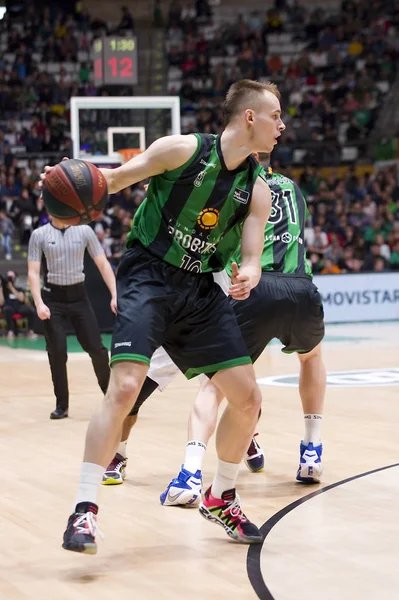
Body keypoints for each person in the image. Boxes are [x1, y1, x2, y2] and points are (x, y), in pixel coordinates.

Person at [41, 79, 285, 554]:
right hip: (148, 275)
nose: (282, 126)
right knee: (127, 385)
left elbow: (252, 255)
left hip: (200, 289)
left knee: (248, 398)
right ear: (250, 116)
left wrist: (251, 274)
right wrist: (66, 182)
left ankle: (221, 495)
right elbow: (109, 180)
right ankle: (84, 510)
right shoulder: (182, 150)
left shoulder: (258, 190)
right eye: (276, 115)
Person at [103, 157, 326, 507]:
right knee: (137, 389)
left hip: (219, 305)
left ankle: (214, 463)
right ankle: (119, 454)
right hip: (186, 303)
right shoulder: (262, 189)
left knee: (236, 388)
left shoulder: (243, 196)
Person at [27, 216, 117, 419]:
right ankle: (62, 405)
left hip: (79, 297)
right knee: (57, 352)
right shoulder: (39, 235)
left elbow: (103, 264)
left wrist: (115, 294)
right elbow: (33, 272)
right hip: (53, 298)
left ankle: (113, 400)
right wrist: (39, 302)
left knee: (97, 349)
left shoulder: (84, 231)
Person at [0, 270, 37, 339]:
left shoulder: (19, 289)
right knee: (7, 309)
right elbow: (1, 302)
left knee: (31, 310)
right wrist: (1, 288)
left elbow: (21, 299)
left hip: (18, 307)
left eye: (12, 277)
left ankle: (30, 331)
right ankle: (10, 331)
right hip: (8, 307)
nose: (10, 279)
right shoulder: (3, 290)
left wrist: (11, 288)